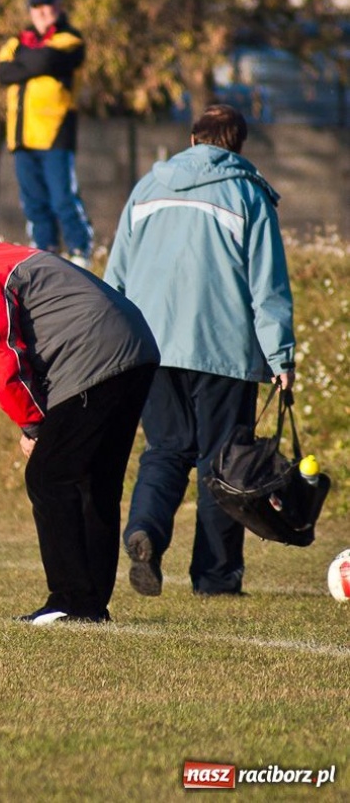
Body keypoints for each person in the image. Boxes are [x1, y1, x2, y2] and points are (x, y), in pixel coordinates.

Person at [0, 210, 159, 624]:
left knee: (48, 478)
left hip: (92, 361)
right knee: (95, 482)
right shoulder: (15, 258)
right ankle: (89, 606)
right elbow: (11, 344)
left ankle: (69, 600)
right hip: (136, 350)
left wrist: (34, 427)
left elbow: (4, 362)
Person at [104, 103, 296, 598]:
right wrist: (281, 358)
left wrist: (112, 345)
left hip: (149, 345)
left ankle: (144, 529)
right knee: (223, 464)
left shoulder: (146, 188)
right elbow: (266, 287)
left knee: (165, 450)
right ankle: (216, 576)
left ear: (192, 141)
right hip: (223, 349)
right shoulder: (247, 194)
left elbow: (116, 273)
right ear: (237, 146)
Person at [0, 0, 93, 267]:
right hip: (21, 135)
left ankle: (80, 250)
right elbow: (3, 72)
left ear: (59, 8)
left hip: (54, 133)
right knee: (33, 201)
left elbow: (48, 59)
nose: (42, 12)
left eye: (48, 6)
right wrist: (33, 61)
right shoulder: (18, 40)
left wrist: (24, 63)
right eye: (36, 6)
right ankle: (44, 250)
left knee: (63, 198)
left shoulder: (70, 39)